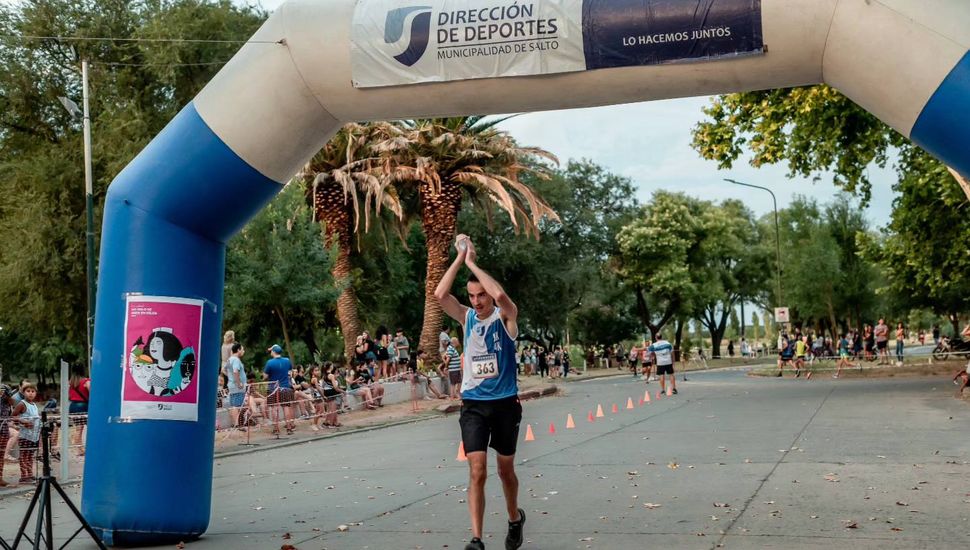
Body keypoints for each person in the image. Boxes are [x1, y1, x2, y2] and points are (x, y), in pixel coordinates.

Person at [435, 234, 526, 550]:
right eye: (472, 295)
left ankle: (515, 518)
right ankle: (476, 538)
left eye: (480, 295)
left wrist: (473, 260)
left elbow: (501, 295)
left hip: (505, 405)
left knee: (505, 471)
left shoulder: (506, 318)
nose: (476, 300)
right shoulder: (467, 317)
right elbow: (439, 294)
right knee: (477, 469)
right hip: (474, 404)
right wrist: (460, 258)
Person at [263, 344, 296, 435]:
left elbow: (265, 376)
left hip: (273, 388)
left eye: (271, 351)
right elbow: (290, 372)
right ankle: (289, 428)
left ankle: (276, 429)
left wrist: (268, 376)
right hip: (285, 387)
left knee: (274, 408)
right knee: (286, 407)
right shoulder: (287, 360)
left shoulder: (269, 362)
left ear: (273, 352)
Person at [11, 382, 41, 484]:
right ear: (23, 393)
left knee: (30, 455)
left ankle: (30, 474)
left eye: (33, 391)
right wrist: (23, 422)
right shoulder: (22, 404)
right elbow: (13, 416)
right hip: (25, 435)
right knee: (24, 454)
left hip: (34, 436)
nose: (31, 393)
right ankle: (23, 476)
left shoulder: (35, 405)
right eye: (28, 391)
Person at [67, 365, 91, 455]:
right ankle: (88, 448)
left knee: (78, 429)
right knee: (90, 428)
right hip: (84, 406)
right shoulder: (86, 381)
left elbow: (68, 395)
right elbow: (92, 394)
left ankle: (79, 449)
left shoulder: (71, 382)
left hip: (73, 406)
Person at [225, 343, 248, 429]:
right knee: (237, 405)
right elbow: (235, 371)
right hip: (237, 387)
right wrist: (238, 383)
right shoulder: (236, 360)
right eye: (242, 349)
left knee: (236, 404)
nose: (243, 351)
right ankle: (238, 424)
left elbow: (224, 370)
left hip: (232, 385)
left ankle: (237, 423)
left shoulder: (230, 359)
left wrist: (231, 378)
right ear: (238, 350)